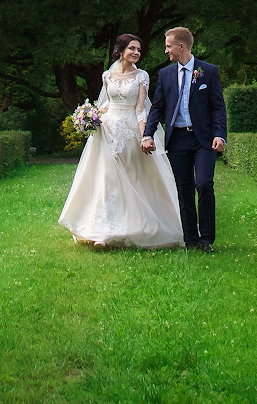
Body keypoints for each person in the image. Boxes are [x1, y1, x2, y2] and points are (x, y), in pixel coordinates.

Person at [57, 35, 185, 248]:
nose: (136, 53)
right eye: (132, 48)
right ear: (121, 51)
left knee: (133, 177)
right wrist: (90, 116)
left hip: (129, 131)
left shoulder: (141, 76)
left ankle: (136, 226)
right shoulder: (107, 75)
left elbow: (141, 109)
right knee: (106, 179)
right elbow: (106, 105)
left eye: (139, 50)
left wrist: (145, 136)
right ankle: (103, 232)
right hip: (106, 132)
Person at [141, 25, 226, 251]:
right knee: (184, 188)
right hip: (177, 140)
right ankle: (191, 240)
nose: (166, 51)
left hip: (204, 139)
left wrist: (220, 135)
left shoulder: (208, 71)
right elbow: (157, 107)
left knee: (204, 184)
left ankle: (206, 238)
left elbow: (218, 107)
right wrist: (147, 134)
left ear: (181, 46)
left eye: (168, 46)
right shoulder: (166, 74)